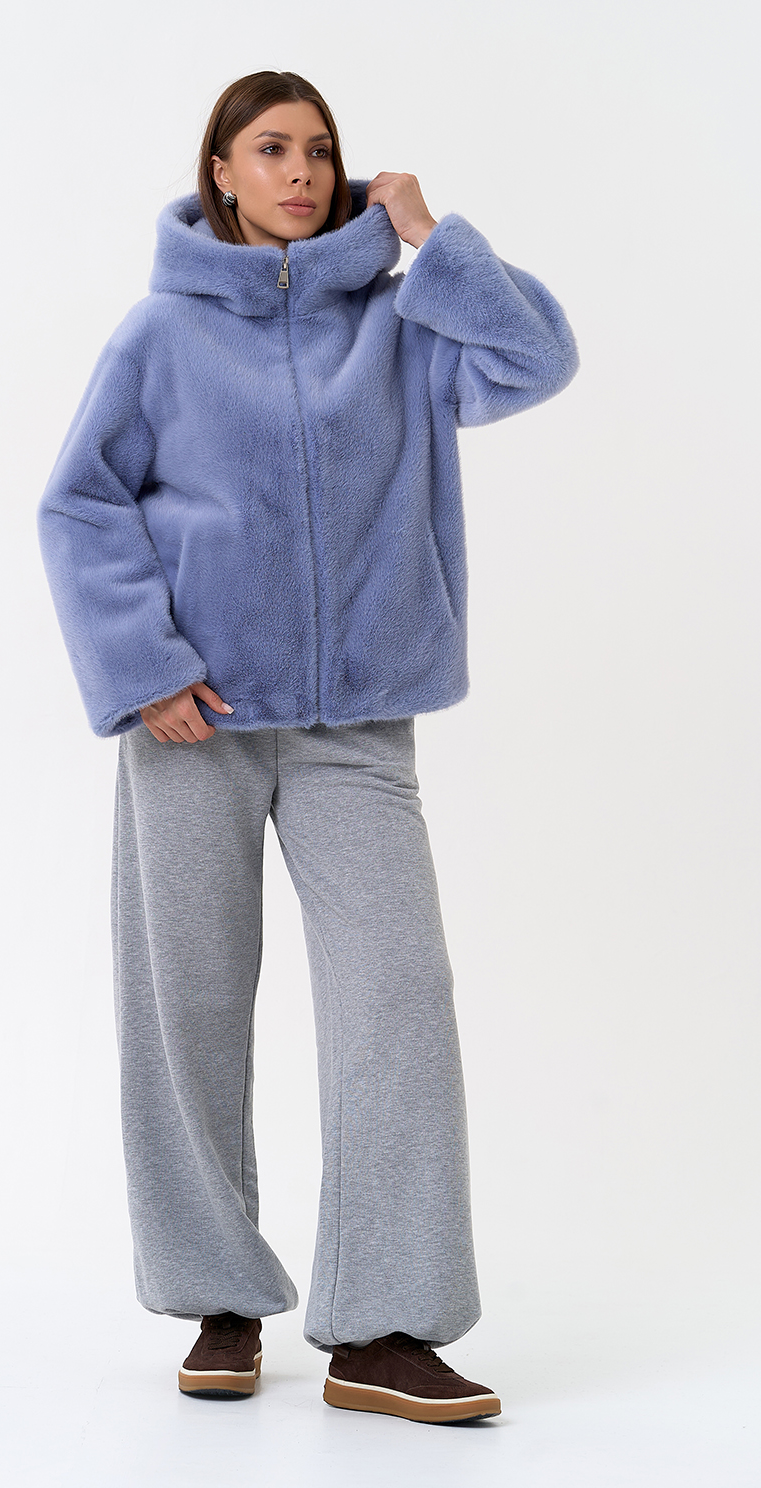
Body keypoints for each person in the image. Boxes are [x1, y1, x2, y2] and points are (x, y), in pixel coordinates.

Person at [37, 69, 579, 1425]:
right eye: (272, 149)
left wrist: (434, 239)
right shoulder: (159, 334)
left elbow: (535, 361)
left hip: (357, 723)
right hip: (196, 721)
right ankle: (218, 1294)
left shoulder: (400, 322)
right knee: (188, 1007)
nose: (301, 172)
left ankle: (383, 1327)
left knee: (398, 1000)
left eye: (321, 151)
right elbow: (81, 504)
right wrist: (144, 669)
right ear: (220, 170)